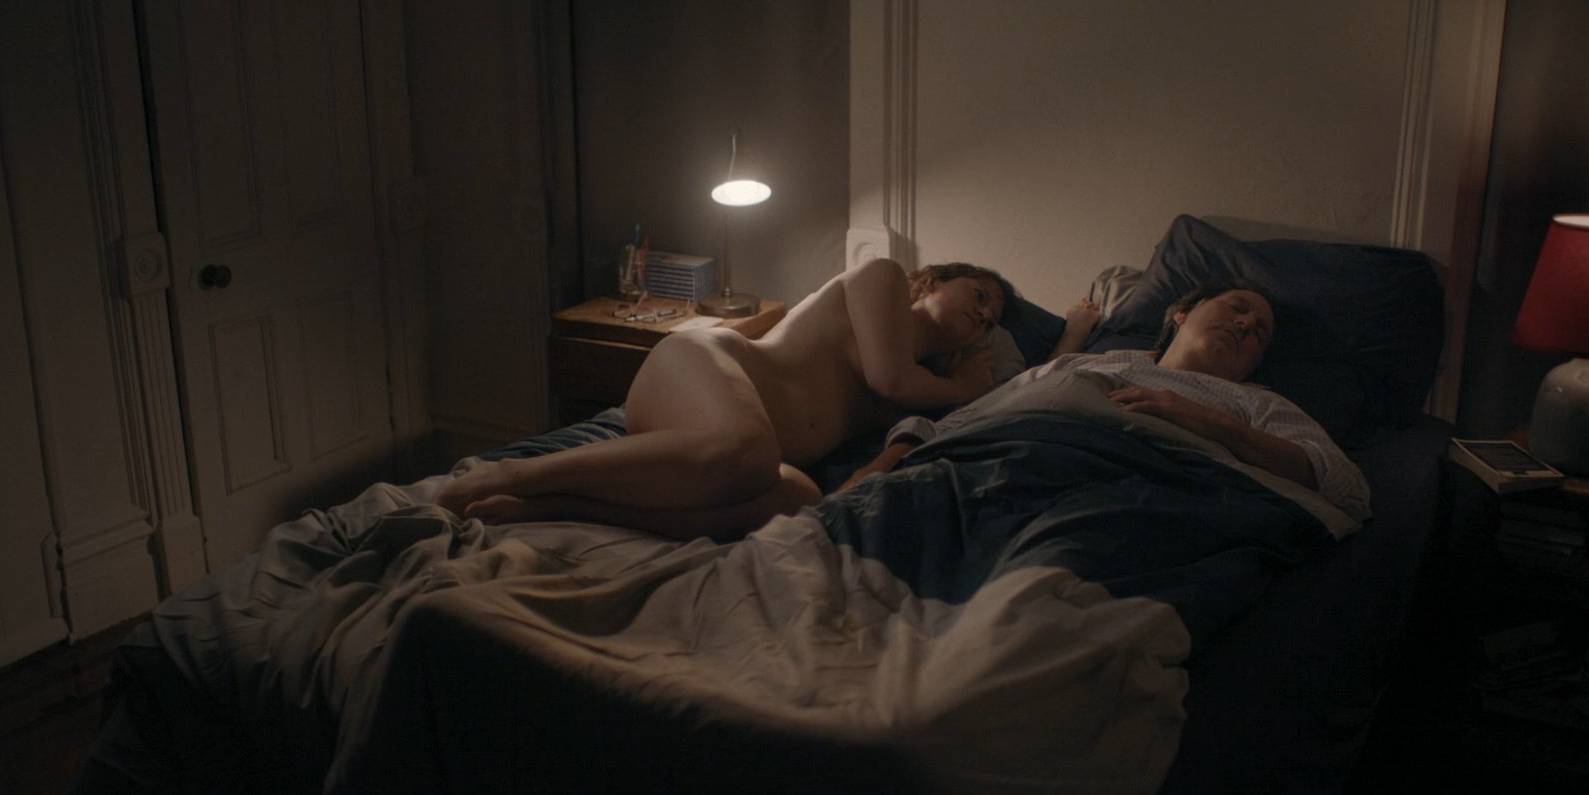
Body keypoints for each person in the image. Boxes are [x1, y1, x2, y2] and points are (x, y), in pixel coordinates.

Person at [436, 258, 1014, 539]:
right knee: (750, 448)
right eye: (979, 293)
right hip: (704, 368)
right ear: (935, 280)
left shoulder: (925, 389)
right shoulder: (882, 278)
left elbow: (895, 446)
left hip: (729, 459)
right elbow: (888, 378)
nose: (985, 313)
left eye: (992, 318)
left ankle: (560, 506)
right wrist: (963, 386)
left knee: (801, 498)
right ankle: (508, 473)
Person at [840, 280, 1371, 522]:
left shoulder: (1257, 404)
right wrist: (884, 462)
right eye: (1236, 307)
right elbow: (964, 420)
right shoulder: (1086, 365)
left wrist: (1206, 421)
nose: (1246, 324)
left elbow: (1347, 489)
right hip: (1000, 465)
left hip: (1121, 497)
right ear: (1183, 314)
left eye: (1259, 333)